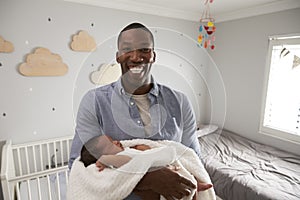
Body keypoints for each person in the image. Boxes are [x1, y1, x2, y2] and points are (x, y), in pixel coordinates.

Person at [69, 22, 209, 200]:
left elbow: (192, 156)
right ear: (118, 56)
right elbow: (78, 166)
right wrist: (146, 179)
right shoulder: (94, 102)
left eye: (144, 49)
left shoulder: (180, 102)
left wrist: (198, 179)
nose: (135, 57)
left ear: (153, 55)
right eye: (127, 49)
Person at [80, 135, 212, 200]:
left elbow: (146, 153)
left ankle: (196, 184)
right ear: (102, 157)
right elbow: (129, 162)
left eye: (112, 139)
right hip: (159, 184)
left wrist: (143, 149)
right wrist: (108, 159)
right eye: (110, 144)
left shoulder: (127, 149)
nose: (116, 141)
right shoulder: (115, 160)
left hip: (168, 168)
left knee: (186, 176)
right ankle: (194, 185)